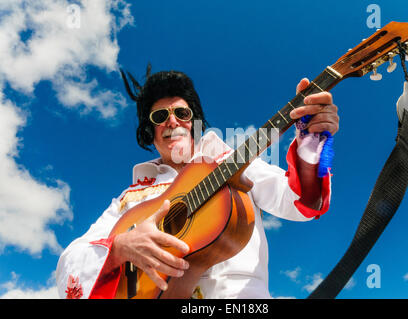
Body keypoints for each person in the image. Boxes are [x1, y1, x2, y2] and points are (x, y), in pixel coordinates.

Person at [56, 64, 339, 299]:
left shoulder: (228, 162)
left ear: (194, 123)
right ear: (149, 131)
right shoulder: (129, 198)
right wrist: (121, 247)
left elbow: (300, 202)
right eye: (159, 116)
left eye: (182, 113)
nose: (172, 121)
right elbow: (72, 259)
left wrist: (311, 142)